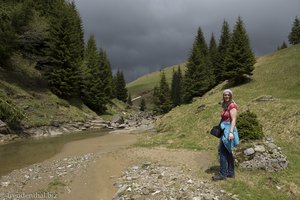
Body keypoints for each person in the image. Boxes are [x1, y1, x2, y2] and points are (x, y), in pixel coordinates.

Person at [212, 89, 239, 181]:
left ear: (231, 95)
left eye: (228, 95)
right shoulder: (227, 105)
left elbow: (234, 120)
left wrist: (231, 133)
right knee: (228, 152)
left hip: (228, 131)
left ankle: (222, 174)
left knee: (222, 152)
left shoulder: (232, 106)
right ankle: (230, 172)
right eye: (225, 95)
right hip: (225, 130)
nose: (226, 96)